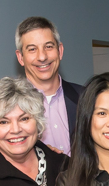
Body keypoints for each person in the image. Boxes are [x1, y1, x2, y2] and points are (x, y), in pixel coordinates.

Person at [15, 16, 83, 154]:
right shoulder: (6, 107)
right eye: (32, 49)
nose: (42, 57)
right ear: (20, 57)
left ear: (60, 51)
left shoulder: (85, 97)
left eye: (48, 47)